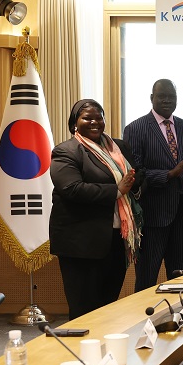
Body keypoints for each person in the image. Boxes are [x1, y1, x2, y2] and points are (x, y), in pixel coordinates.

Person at [50, 100, 143, 319]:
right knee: (84, 309)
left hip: (116, 239)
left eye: (99, 117)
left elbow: (138, 176)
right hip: (80, 243)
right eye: (87, 118)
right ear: (75, 123)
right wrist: (117, 191)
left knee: (107, 306)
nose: (94, 122)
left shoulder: (119, 147)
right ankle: (80, 352)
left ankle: (104, 351)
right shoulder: (66, 151)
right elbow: (71, 189)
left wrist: (135, 186)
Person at [123, 79, 183, 290]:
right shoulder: (136, 128)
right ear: (152, 98)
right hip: (152, 218)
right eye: (162, 96)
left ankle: (181, 320)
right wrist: (169, 174)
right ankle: (145, 321)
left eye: (171, 97)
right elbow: (136, 172)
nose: (167, 101)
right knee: (147, 280)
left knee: (182, 279)